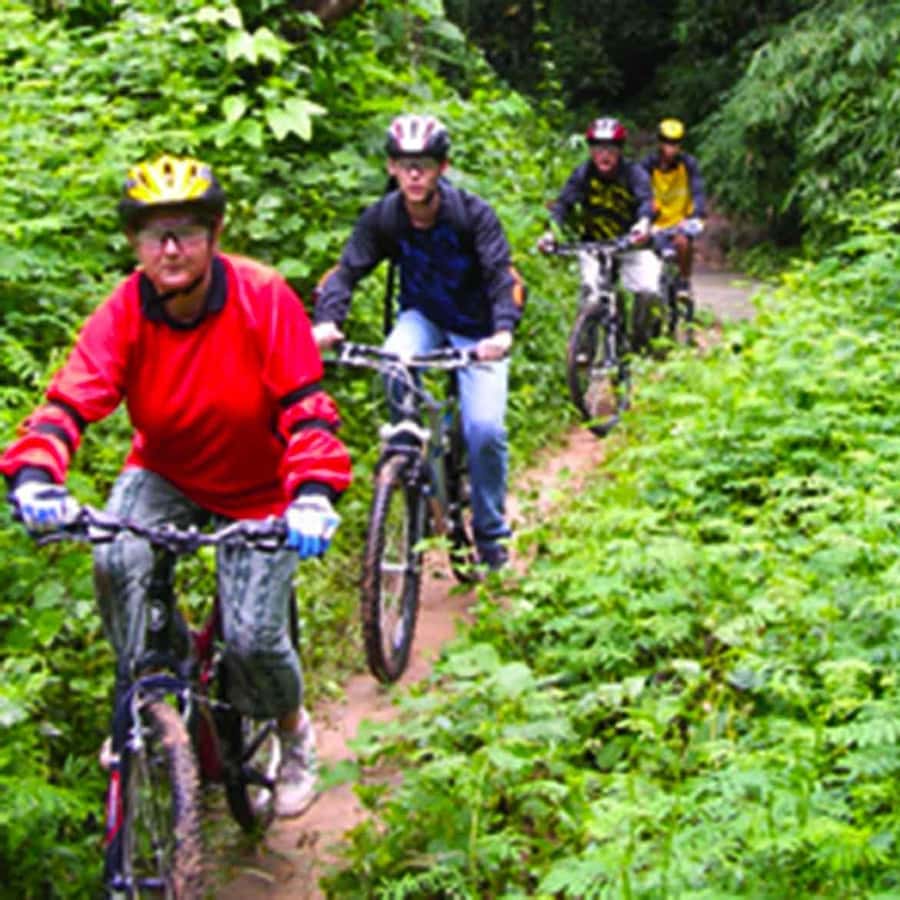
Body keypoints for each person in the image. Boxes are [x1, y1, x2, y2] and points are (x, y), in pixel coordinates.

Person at [0, 154, 352, 818]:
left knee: (252, 639)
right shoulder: (126, 309)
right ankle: (145, 695)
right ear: (134, 243)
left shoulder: (262, 296)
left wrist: (312, 493)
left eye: (187, 231)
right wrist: (36, 475)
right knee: (116, 556)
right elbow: (69, 401)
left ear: (215, 236)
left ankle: (292, 732)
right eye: (153, 233)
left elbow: (307, 409)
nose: (170, 248)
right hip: (165, 469)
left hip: (261, 489)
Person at [312, 113, 525, 571]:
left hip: (478, 329)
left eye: (424, 164)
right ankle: (412, 464)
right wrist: (328, 321)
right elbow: (345, 272)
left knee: (485, 430)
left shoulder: (472, 215)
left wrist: (503, 331)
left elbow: (501, 276)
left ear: (442, 168)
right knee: (394, 360)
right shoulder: (384, 218)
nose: (414, 174)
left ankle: (489, 531)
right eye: (404, 163)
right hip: (424, 317)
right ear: (391, 167)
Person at [538, 117, 662, 346]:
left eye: (611, 149)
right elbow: (562, 205)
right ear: (591, 151)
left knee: (648, 290)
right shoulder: (582, 175)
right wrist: (551, 233)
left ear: (620, 151)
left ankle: (640, 337)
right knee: (591, 295)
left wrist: (643, 223)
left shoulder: (633, 174)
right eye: (597, 148)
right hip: (593, 244)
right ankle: (585, 352)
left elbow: (646, 200)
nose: (604, 155)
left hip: (631, 243)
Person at [640, 117, 707, 299]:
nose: (671, 147)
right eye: (667, 142)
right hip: (654, 222)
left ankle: (684, 282)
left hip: (680, 221)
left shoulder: (688, 165)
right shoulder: (647, 166)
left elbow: (698, 190)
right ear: (660, 143)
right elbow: (639, 192)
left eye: (675, 143)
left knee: (683, 243)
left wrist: (696, 213)